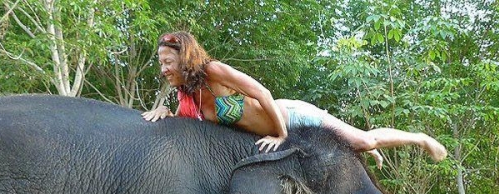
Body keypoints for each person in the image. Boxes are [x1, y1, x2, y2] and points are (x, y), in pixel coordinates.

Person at [142, 31, 448, 167]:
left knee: (366, 142)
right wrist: (164, 113)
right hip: (279, 128)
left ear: (186, 59)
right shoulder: (188, 97)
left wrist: (281, 134)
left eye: (168, 62)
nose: (164, 68)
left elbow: (262, 93)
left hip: (291, 117)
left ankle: (420, 139)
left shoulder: (214, 71)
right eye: (161, 63)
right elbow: (189, 126)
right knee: (355, 145)